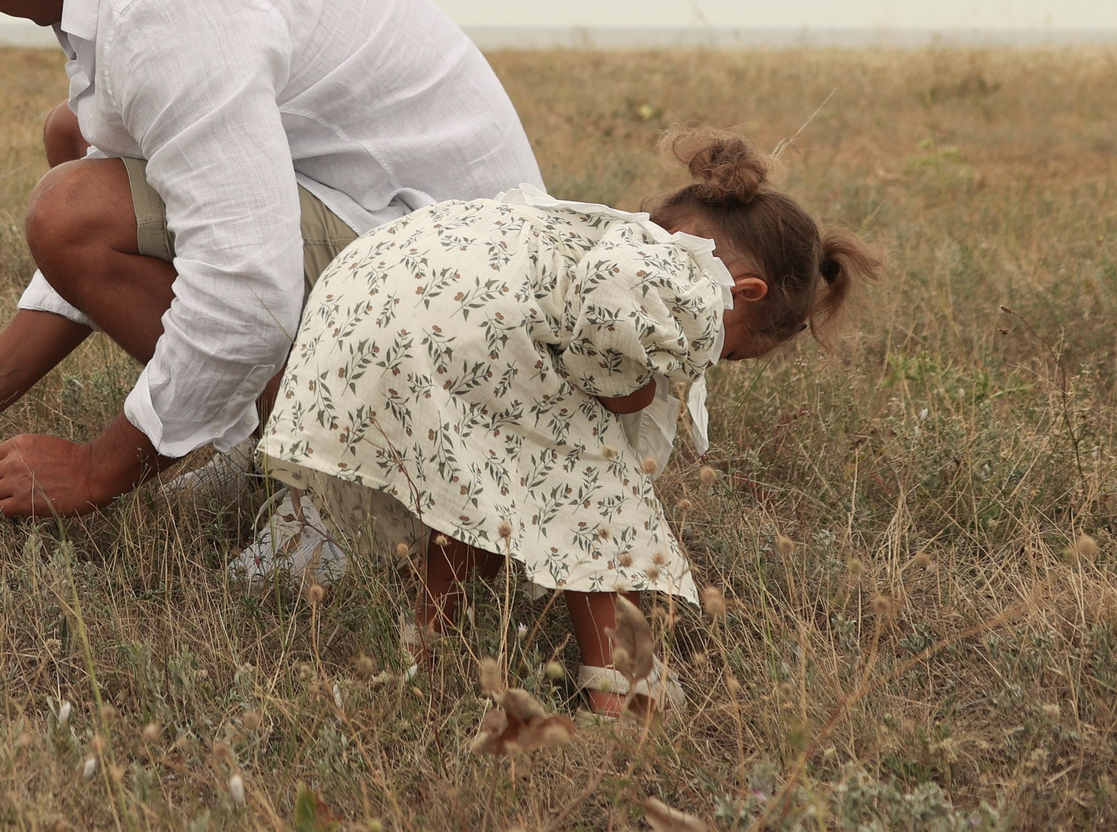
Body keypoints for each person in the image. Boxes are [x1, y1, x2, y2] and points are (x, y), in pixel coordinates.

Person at [0, 0, 542, 550]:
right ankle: (274, 439)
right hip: (414, 237)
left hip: (471, 314)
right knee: (75, 135)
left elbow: (247, 289)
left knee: (71, 210)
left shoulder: (162, 1)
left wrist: (99, 468)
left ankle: (364, 488)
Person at [257, 131, 882, 714]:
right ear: (745, 292)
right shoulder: (690, 280)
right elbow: (608, 299)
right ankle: (623, 686)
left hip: (376, 289)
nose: (711, 361)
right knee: (599, 498)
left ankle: (427, 643)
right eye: (732, 351)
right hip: (453, 327)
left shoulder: (609, 232)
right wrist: (629, 392)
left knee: (489, 477)